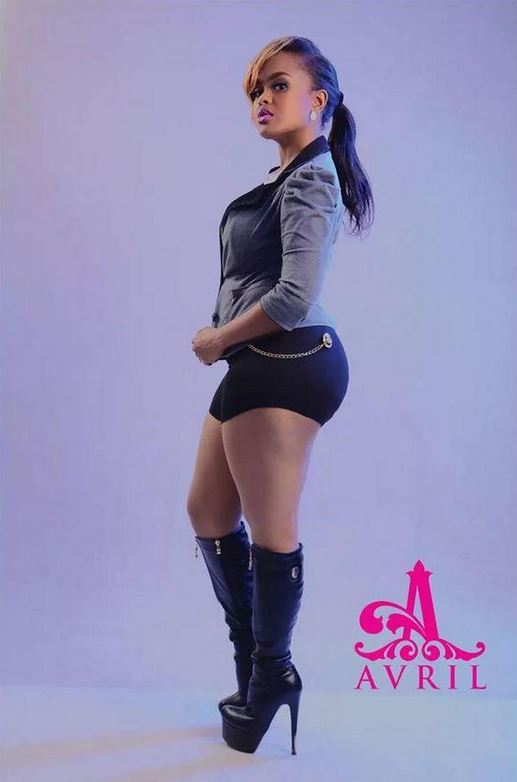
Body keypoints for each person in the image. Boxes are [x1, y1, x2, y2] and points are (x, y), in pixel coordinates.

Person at [187, 35, 374, 755]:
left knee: (271, 530)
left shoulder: (312, 180)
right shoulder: (286, 177)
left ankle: (272, 677)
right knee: (207, 511)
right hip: (261, 360)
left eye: (278, 84)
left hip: (289, 359)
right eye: (256, 90)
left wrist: (218, 338)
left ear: (317, 100)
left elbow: (295, 297)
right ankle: (253, 665)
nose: (263, 99)